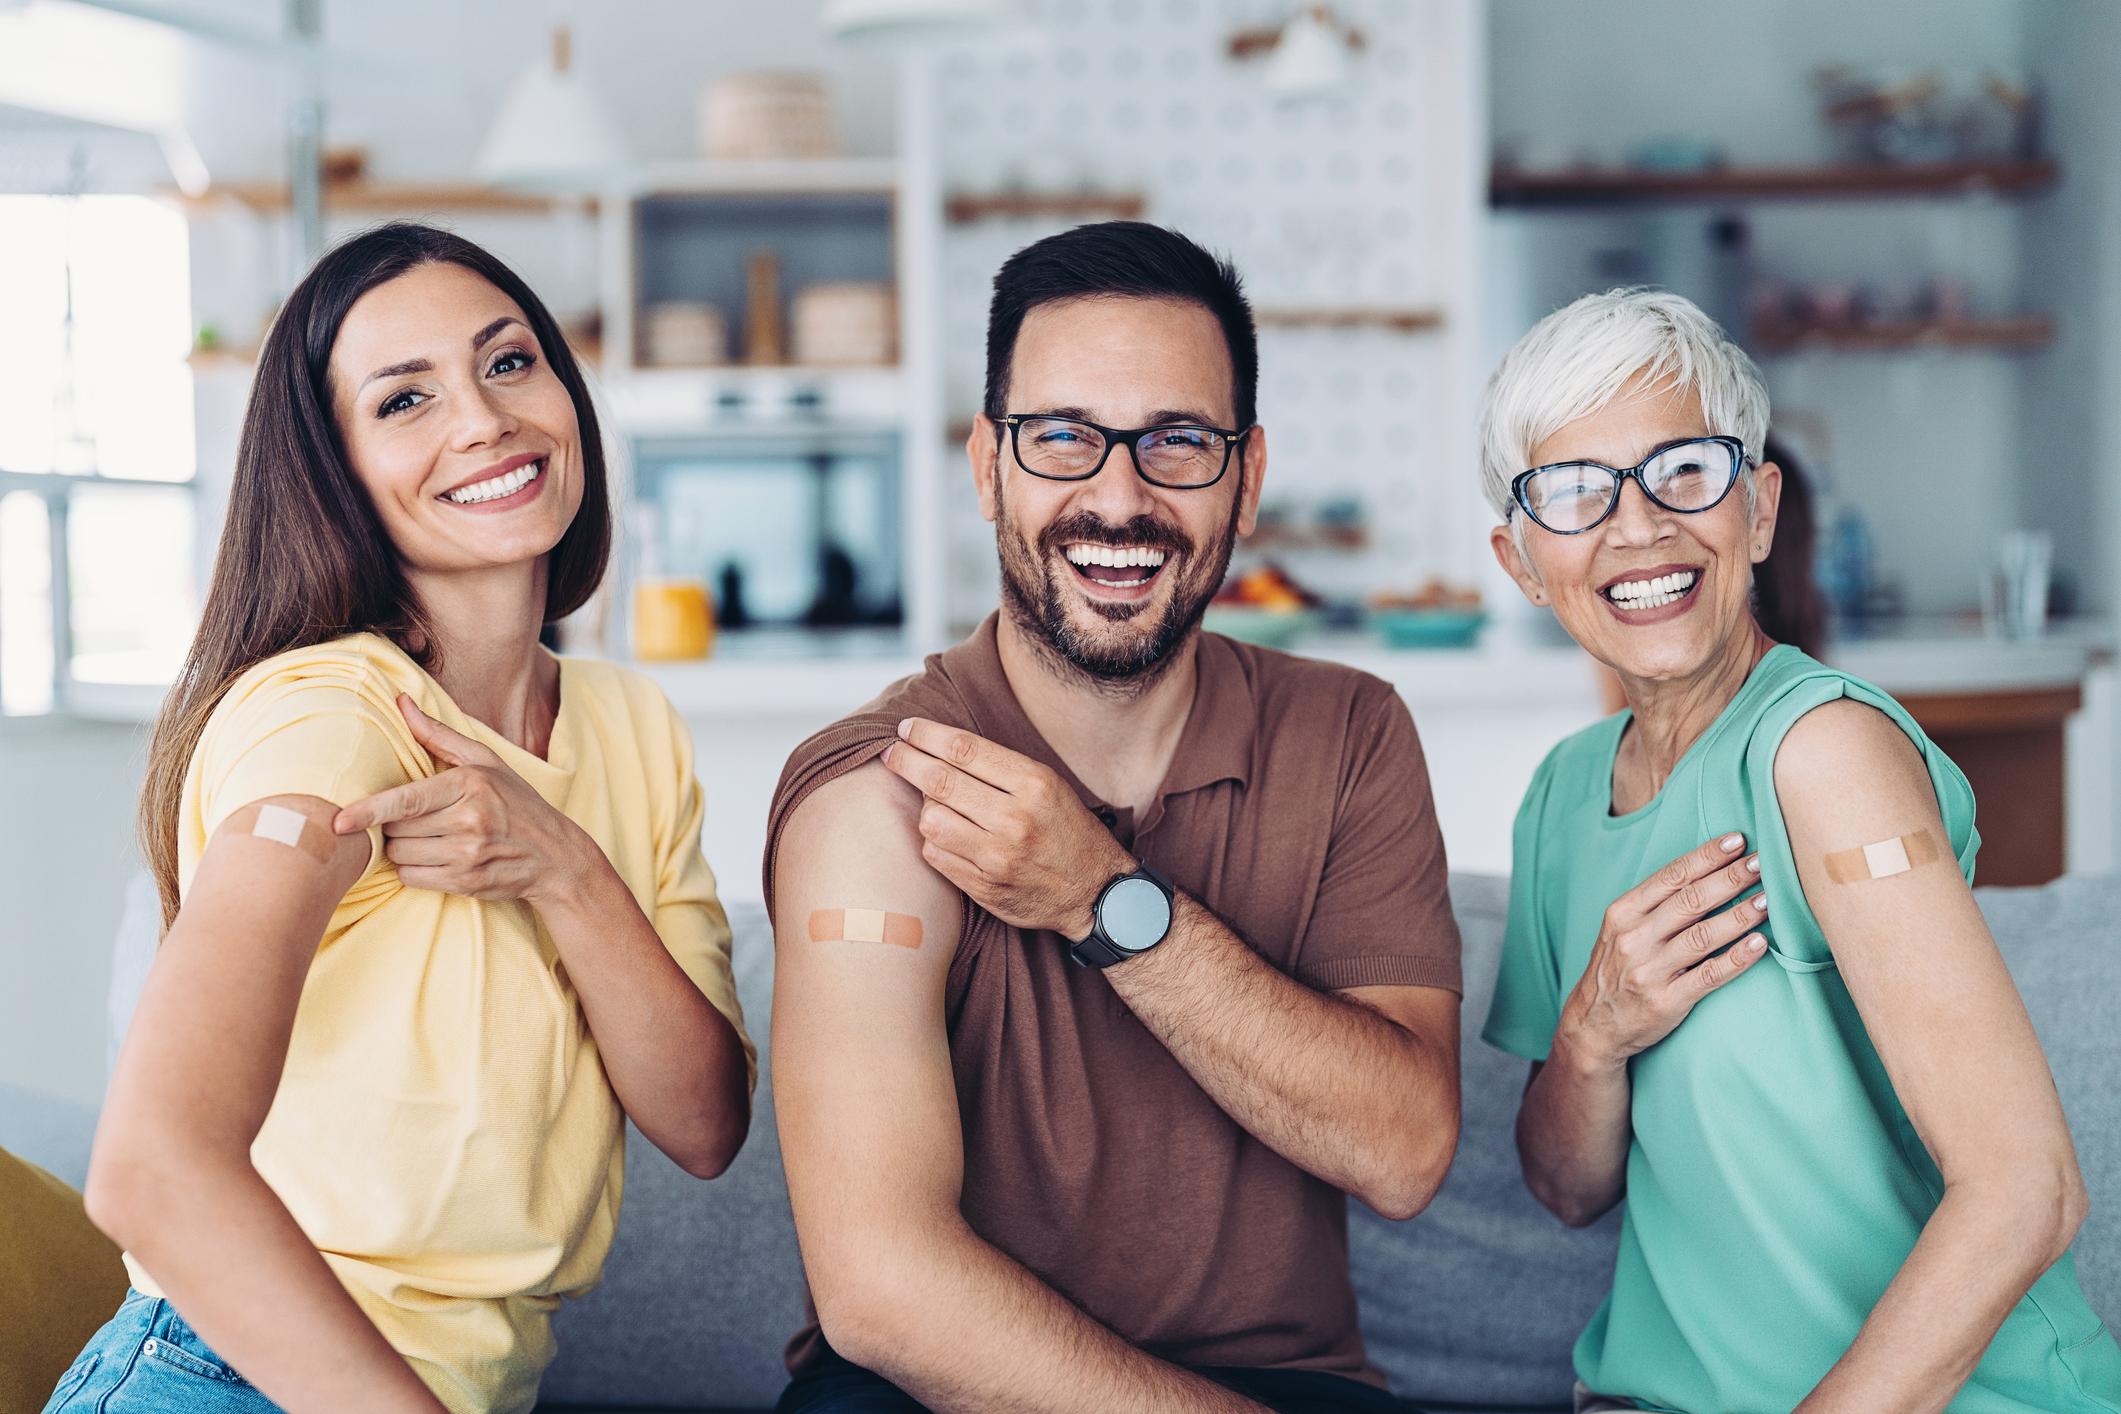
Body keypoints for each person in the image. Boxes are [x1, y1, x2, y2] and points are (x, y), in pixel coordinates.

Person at [49, 224, 754, 1414]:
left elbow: (703, 1121)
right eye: (405, 399)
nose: (482, 420)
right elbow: (151, 1169)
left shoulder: (633, 726)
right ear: (335, 472)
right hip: (229, 1377)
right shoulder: (329, 719)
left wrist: (567, 867)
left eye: (510, 362)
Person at [764, 221, 1463, 1413]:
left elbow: (1400, 1153)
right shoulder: (870, 793)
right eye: (1063, 439)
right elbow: (882, 1288)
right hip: (942, 1388)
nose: (1119, 499)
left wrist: (1105, 902)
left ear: (1246, 477)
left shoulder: (1350, 736)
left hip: (1285, 1379)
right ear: (987, 465)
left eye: (1178, 441)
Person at [1480, 287, 2121, 1412]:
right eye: (1575, 492)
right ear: (1522, 559)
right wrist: (1591, 1033)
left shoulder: (1824, 752)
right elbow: (1566, 1186)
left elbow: (2027, 1189)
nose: (1639, 527)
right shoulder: (1562, 797)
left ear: (1760, 510)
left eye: (1684, 469)